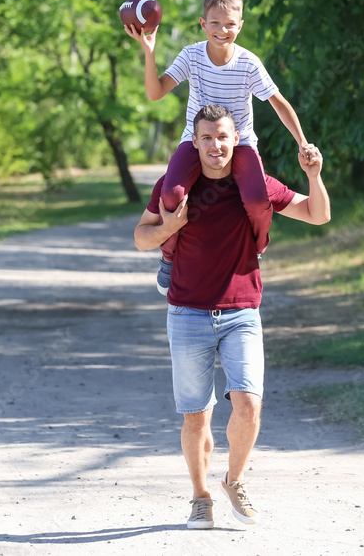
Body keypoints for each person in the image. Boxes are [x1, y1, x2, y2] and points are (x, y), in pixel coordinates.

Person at [133, 104, 329, 529]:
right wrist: (169, 227)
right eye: (206, 138)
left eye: (222, 137)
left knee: (249, 405)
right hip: (187, 314)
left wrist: (314, 176)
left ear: (235, 139)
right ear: (196, 142)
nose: (215, 145)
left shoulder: (256, 188)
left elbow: (319, 214)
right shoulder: (175, 187)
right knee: (196, 416)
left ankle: (234, 480)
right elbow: (141, 237)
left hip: (242, 313)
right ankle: (200, 496)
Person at [125, 0, 315, 294]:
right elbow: (155, 92)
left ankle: (256, 248)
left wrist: (302, 142)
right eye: (214, 23)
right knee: (171, 194)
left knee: (256, 198)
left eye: (229, 24)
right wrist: (149, 52)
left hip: (238, 143)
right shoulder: (192, 55)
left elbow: (279, 103)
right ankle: (169, 258)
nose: (222, 30)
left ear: (240, 25)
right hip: (195, 139)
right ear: (203, 24)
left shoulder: (248, 63)